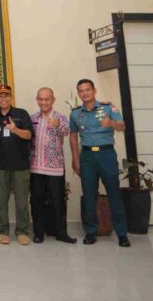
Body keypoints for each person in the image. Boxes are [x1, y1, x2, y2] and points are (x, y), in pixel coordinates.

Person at [69, 78, 130, 247]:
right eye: (81, 91)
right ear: (78, 93)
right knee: (89, 195)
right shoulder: (75, 113)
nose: (84, 93)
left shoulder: (108, 108)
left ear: (94, 91)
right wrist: (75, 158)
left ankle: (122, 234)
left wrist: (111, 123)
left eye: (88, 89)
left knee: (114, 194)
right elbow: (73, 136)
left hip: (106, 154)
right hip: (87, 156)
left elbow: (122, 126)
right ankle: (90, 232)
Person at [0, 84, 33, 245]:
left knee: (21, 201)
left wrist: (15, 130)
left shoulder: (21, 114)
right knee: (0, 201)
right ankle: (2, 231)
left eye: (6, 95)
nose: (3, 99)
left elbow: (28, 135)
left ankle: (22, 231)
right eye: (0, 96)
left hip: (20, 165)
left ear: (11, 97)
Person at [29, 87, 76, 244]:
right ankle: (38, 233)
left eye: (47, 99)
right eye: (41, 99)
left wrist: (57, 125)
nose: (44, 102)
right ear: (37, 100)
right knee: (36, 201)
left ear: (53, 100)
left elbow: (67, 131)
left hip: (55, 168)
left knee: (58, 202)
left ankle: (61, 232)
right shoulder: (33, 117)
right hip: (35, 167)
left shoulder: (60, 117)